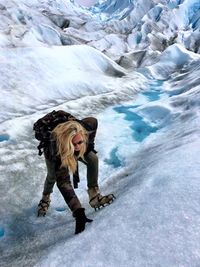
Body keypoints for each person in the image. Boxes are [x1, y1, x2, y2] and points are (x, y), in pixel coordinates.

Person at [37, 116, 114, 234]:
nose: (78, 147)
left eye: (80, 142)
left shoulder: (86, 128)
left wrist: (89, 145)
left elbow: (93, 121)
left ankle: (94, 196)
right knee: (53, 176)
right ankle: (45, 197)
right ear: (67, 143)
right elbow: (63, 181)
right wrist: (78, 212)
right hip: (56, 151)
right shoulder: (55, 148)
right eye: (74, 144)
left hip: (72, 142)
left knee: (92, 159)